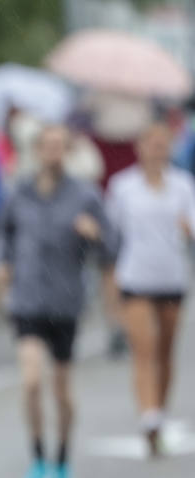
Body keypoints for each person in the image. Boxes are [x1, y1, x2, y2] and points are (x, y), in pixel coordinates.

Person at [0, 124, 108, 478]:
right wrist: (2, 266)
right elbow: (4, 236)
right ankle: (38, 459)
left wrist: (94, 234)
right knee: (29, 381)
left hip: (64, 302)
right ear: (37, 151)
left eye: (61, 147)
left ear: (68, 152)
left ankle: (62, 465)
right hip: (27, 299)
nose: (54, 153)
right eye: (48, 146)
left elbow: (110, 246)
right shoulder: (19, 193)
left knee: (61, 389)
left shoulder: (84, 195)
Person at [104, 119, 195, 457]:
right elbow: (112, 235)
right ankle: (149, 416)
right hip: (136, 276)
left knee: (166, 352)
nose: (157, 149)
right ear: (139, 148)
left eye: (162, 143)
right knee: (145, 348)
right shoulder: (122, 186)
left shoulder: (183, 185)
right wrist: (111, 278)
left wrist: (187, 230)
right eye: (150, 143)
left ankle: (161, 410)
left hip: (171, 276)